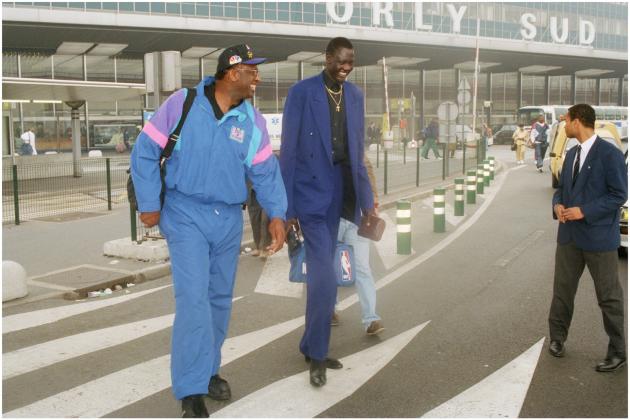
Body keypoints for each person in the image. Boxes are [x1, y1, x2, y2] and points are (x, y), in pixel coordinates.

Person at [130, 44, 287, 417]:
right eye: (252, 70)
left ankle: (208, 369)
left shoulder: (252, 122)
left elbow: (264, 171)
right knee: (193, 301)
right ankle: (191, 389)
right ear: (232, 73)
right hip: (185, 214)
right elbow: (145, 151)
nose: (257, 77)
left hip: (228, 219)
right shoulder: (183, 104)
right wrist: (150, 204)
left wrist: (278, 214)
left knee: (218, 301)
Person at [280, 37, 375, 388]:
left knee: (327, 274)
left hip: (341, 193)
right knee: (325, 275)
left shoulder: (355, 96)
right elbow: (288, 151)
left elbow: (357, 154)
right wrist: (286, 208)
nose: (345, 68)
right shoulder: (302, 92)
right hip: (309, 194)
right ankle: (317, 355)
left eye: (351, 62)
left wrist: (368, 204)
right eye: (340, 61)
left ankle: (309, 342)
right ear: (327, 58)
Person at [548, 104, 627, 373]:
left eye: (566, 121)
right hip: (569, 237)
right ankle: (557, 339)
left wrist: (585, 210)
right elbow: (560, 189)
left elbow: (619, 195)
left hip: (598, 238)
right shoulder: (570, 154)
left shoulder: (610, 155)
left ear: (578, 121)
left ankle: (618, 351)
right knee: (562, 293)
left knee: (608, 297)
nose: (564, 125)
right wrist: (558, 205)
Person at [336, 154, 384, 335]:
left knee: (362, 268)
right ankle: (330, 309)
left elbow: (370, 181)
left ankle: (371, 318)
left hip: (358, 220)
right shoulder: (326, 153)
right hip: (332, 219)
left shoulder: (360, 156)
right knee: (330, 266)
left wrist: (373, 207)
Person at [246, 182, 271, 257]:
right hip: (251, 193)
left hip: (266, 190)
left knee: (265, 221)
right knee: (255, 221)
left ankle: (265, 248)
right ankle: (258, 247)